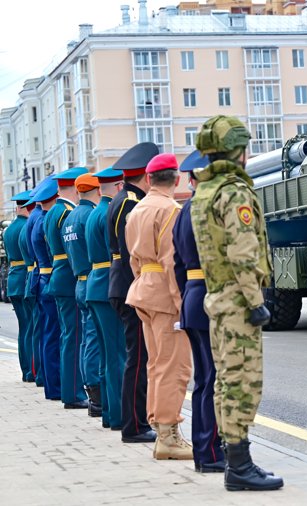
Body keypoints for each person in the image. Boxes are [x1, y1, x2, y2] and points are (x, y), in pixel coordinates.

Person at [192, 115, 283, 491]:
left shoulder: (204, 192)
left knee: (225, 381)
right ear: (238, 151)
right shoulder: (234, 192)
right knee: (243, 382)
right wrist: (256, 300)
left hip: (217, 296)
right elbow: (243, 252)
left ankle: (235, 460)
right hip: (237, 299)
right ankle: (240, 466)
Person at [125, 152, 192, 460]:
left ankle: (159, 426)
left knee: (155, 364)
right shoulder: (170, 210)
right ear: (175, 180)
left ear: (149, 180)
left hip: (143, 290)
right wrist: (182, 306)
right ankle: (168, 433)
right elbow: (171, 261)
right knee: (174, 367)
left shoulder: (136, 211)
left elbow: (134, 260)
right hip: (165, 295)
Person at [173, 150, 225, 473]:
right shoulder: (208, 209)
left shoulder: (182, 212)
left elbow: (177, 263)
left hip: (192, 296)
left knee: (203, 379)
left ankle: (203, 451)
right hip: (210, 296)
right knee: (214, 379)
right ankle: (210, 452)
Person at [108, 142, 158, 444]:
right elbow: (133, 251)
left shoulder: (120, 199)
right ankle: (135, 426)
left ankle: (135, 421)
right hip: (129, 284)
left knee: (135, 356)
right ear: (146, 175)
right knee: (138, 359)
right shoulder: (130, 203)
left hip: (120, 282)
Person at [87, 167, 127, 431]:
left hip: (94, 284)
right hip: (107, 285)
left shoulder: (94, 213)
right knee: (117, 356)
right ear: (118, 185)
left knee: (106, 355)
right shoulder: (108, 212)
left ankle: (109, 414)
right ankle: (118, 415)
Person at [45, 167, 89, 410]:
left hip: (58, 275)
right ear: (74, 186)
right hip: (68, 276)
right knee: (73, 338)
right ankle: (72, 393)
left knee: (67, 336)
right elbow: (72, 249)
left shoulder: (53, 212)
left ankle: (68, 389)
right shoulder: (66, 212)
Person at [62, 172, 104, 419]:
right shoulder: (89, 215)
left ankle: (91, 391)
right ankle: (96, 395)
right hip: (92, 279)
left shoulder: (70, 217)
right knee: (94, 341)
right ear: (97, 191)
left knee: (85, 340)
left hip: (79, 280)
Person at [28, 176, 64, 402]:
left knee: (47, 334)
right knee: (53, 335)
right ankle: (55, 386)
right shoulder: (44, 220)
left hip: (42, 277)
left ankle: (50, 382)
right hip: (50, 277)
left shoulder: (36, 218)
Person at [5, 190, 34, 381]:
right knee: (30, 328)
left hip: (13, 279)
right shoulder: (25, 227)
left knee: (24, 328)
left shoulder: (9, 229)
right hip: (24, 278)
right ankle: (30, 371)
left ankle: (25, 369)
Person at [22, 190, 44, 387]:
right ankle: (36, 372)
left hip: (32, 277)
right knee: (39, 330)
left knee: (32, 329)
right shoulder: (38, 219)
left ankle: (33, 371)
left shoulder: (25, 224)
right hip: (40, 276)